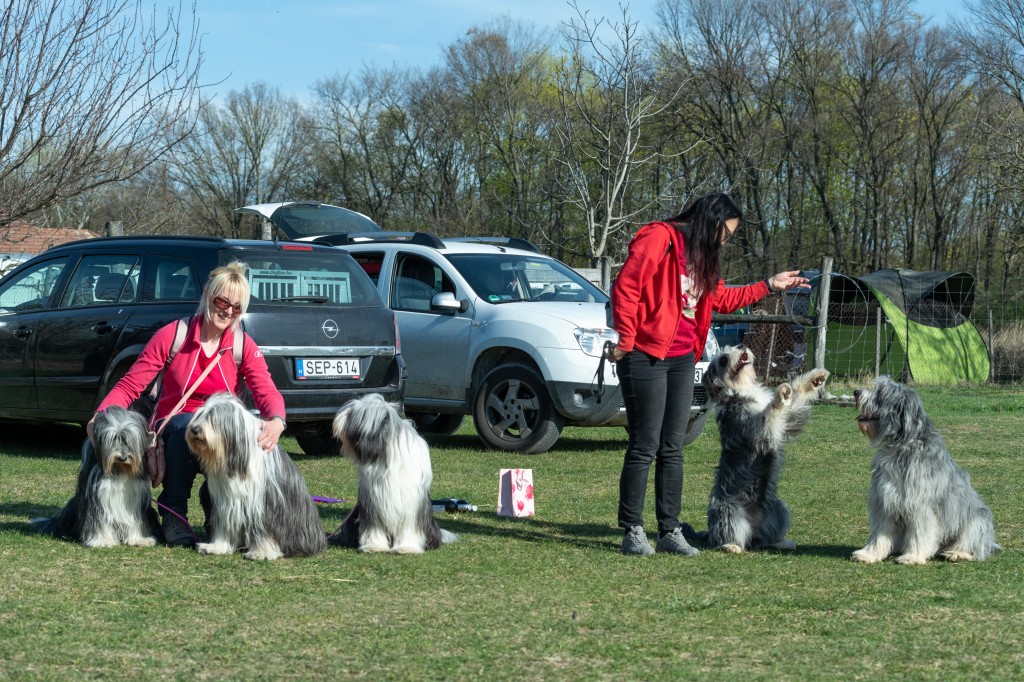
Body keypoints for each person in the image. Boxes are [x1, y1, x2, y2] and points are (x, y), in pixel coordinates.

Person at [609, 192, 810, 556]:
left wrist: (769, 285)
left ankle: (669, 531)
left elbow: (722, 300)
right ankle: (633, 530)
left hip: (682, 357)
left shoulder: (703, 257)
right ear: (710, 220)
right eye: (725, 233)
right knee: (644, 445)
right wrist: (625, 337)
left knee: (673, 447)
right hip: (645, 354)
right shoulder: (659, 238)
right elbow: (627, 286)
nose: (725, 241)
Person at [87, 262, 287, 547]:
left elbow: (266, 389)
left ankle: (221, 512)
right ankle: (174, 512)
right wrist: (100, 415)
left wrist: (276, 420)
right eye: (222, 302)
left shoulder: (243, 346)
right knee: (186, 426)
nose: (227, 311)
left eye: (236, 307)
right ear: (206, 295)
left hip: (220, 431)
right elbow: (131, 385)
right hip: (176, 426)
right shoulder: (172, 335)